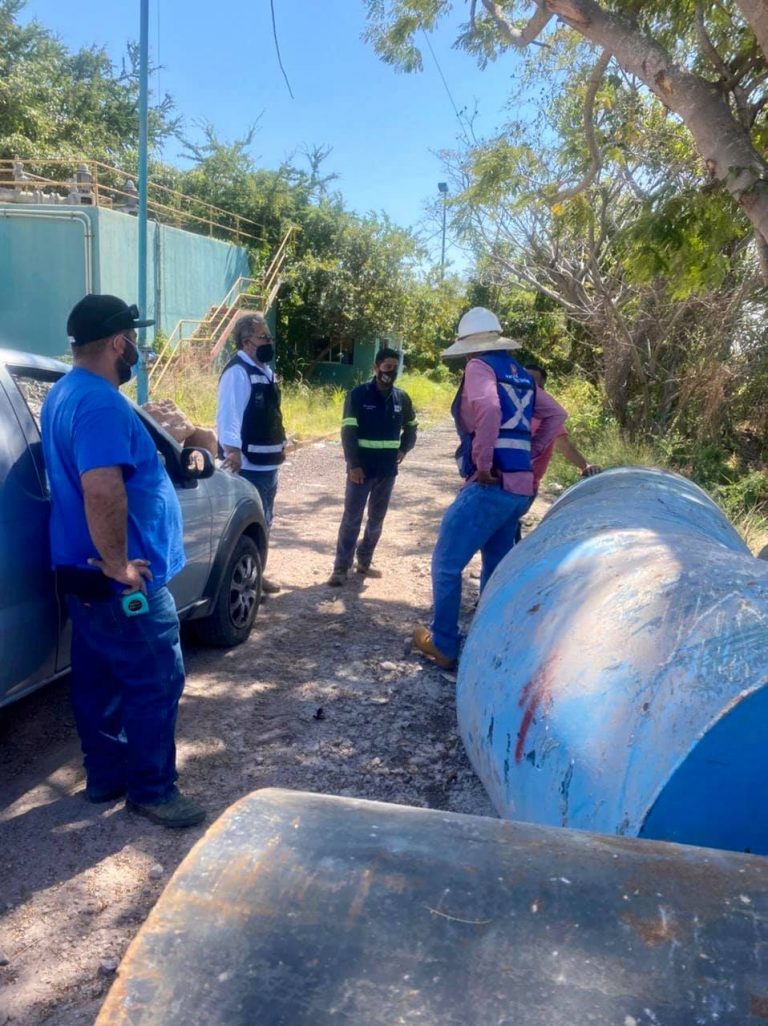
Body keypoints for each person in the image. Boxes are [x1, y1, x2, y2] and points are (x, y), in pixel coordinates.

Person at [41, 294, 205, 828]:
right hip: (118, 580)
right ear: (117, 343)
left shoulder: (63, 393)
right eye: (133, 338)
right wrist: (119, 565)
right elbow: (102, 487)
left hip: (81, 571)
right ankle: (153, 791)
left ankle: (106, 777)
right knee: (156, 678)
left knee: (98, 680)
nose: (137, 346)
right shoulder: (101, 403)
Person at [412, 308, 567, 670]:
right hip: (519, 490)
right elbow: (557, 415)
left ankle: (445, 643)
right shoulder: (519, 374)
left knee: (446, 565)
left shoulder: (480, 368)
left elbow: (490, 410)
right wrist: (530, 450)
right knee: (495, 567)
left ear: (470, 345)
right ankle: (488, 641)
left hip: (491, 484)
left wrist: (483, 464)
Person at [327, 347, 418, 586]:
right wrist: (353, 464)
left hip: (387, 471)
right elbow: (348, 432)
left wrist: (404, 449)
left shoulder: (402, 398)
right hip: (361, 470)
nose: (391, 373)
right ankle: (341, 567)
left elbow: (412, 426)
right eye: (387, 367)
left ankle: (364, 561)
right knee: (352, 519)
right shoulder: (358, 395)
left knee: (377, 519)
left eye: (395, 368)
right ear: (376, 367)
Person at [216, 313, 286, 594]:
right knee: (247, 525)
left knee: (264, 520)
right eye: (263, 337)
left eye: (269, 337)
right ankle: (245, 580)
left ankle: (257, 574)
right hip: (249, 466)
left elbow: (269, 414)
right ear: (246, 342)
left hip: (269, 463)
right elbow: (229, 414)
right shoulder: (237, 372)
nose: (269, 342)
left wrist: (282, 440)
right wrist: (231, 450)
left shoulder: (265, 371)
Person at [525, 363, 602, 489]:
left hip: (525, 485)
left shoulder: (548, 415)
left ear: (542, 388)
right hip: (494, 478)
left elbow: (564, 446)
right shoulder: (506, 406)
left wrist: (585, 466)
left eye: (531, 381)